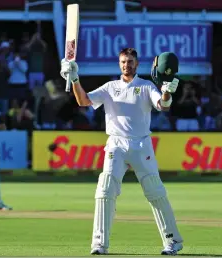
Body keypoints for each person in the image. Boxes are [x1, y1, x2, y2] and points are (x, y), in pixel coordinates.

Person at [60, 49, 183, 256]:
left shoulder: (145, 86)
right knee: (105, 190)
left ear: (137, 63)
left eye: (131, 62)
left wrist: (167, 92)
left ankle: (173, 242)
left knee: (155, 192)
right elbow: (83, 101)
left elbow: (163, 105)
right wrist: (74, 78)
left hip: (141, 144)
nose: (127, 65)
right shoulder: (110, 87)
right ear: (119, 64)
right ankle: (99, 244)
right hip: (115, 144)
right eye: (124, 62)